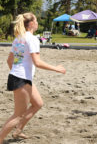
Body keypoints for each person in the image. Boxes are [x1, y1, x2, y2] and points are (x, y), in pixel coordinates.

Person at [0, 13, 66, 144]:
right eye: (36, 20)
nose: (37, 22)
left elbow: (10, 60)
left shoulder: (19, 38)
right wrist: (57, 68)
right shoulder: (32, 39)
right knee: (18, 115)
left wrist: (16, 72)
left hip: (18, 77)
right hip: (21, 79)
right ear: (31, 24)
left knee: (38, 104)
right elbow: (37, 62)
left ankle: (18, 130)